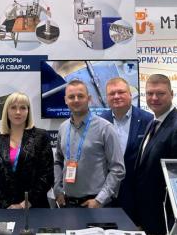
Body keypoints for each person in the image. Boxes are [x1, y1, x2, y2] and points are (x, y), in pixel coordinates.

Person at [133, 74, 177, 235]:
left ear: (172, 94)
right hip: (149, 217)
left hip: (166, 221)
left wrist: (173, 227)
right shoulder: (153, 123)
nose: (154, 98)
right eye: (150, 93)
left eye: (160, 93)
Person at [53, 79, 125, 208]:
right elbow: (58, 161)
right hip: (67, 203)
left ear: (89, 98)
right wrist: (57, 189)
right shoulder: (63, 128)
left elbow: (118, 169)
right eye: (71, 97)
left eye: (80, 96)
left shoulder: (105, 128)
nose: (76, 100)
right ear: (65, 100)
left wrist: (100, 200)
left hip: (95, 204)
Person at [0, 92, 54, 209]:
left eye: (23, 108)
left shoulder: (41, 136)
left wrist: (25, 204)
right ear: (6, 111)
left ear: (28, 111)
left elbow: (47, 175)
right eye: (13, 107)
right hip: (6, 210)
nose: (18, 112)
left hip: (36, 208)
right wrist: (5, 205)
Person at [101, 77, 153, 220]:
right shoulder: (99, 121)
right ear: (107, 98)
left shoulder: (148, 120)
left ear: (130, 94)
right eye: (112, 93)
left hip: (137, 195)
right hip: (106, 196)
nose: (116, 96)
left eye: (121, 92)